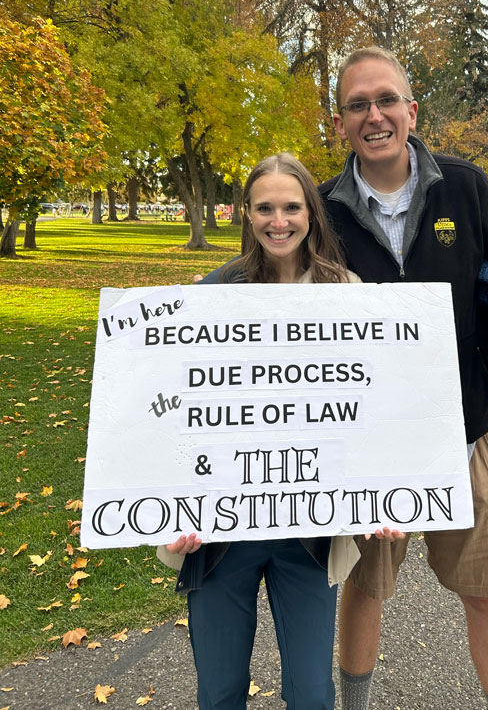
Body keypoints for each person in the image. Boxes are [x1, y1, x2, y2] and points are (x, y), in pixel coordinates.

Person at [318, 46, 488, 710]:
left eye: (386, 99)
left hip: (465, 434)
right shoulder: (320, 212)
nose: (375, 115)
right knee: (364, 588)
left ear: (411, 111)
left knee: (483, 589)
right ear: (338, 123)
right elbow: (284, 310)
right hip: (365, 450)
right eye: (358, 104)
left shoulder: (466, 188)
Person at [157, 152, 399, 710]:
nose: (278, 220)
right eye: (265, 208)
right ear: (247, 213)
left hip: (309, 534)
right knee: (219, 693)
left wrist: (384, 492)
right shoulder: (210, 294)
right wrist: (169, 514)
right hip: (220, 534)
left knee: (312, 694)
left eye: (291, 206)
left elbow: (369, 406)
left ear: (311, 213)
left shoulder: (348, 294)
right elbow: (176, 415)